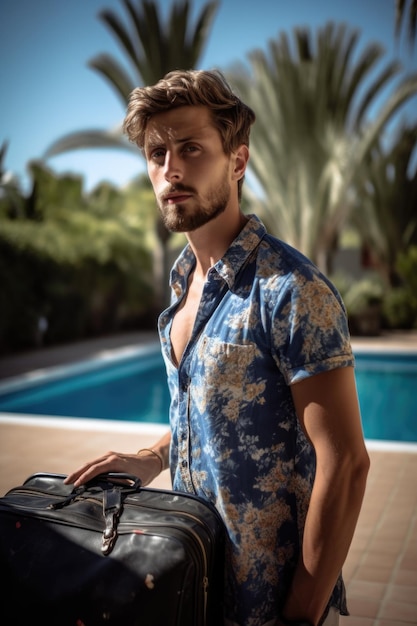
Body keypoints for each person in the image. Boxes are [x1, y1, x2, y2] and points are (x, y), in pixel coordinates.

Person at [65, 69, 370, 626]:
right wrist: (152, 457)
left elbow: (346, 464)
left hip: (265, 603)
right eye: (156, 153)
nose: (170, 169)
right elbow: (207, 410)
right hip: (188, 581)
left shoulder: (290, 290)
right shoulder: (184, 286)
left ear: (237, 162)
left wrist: (299, 613)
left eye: (190, 149)